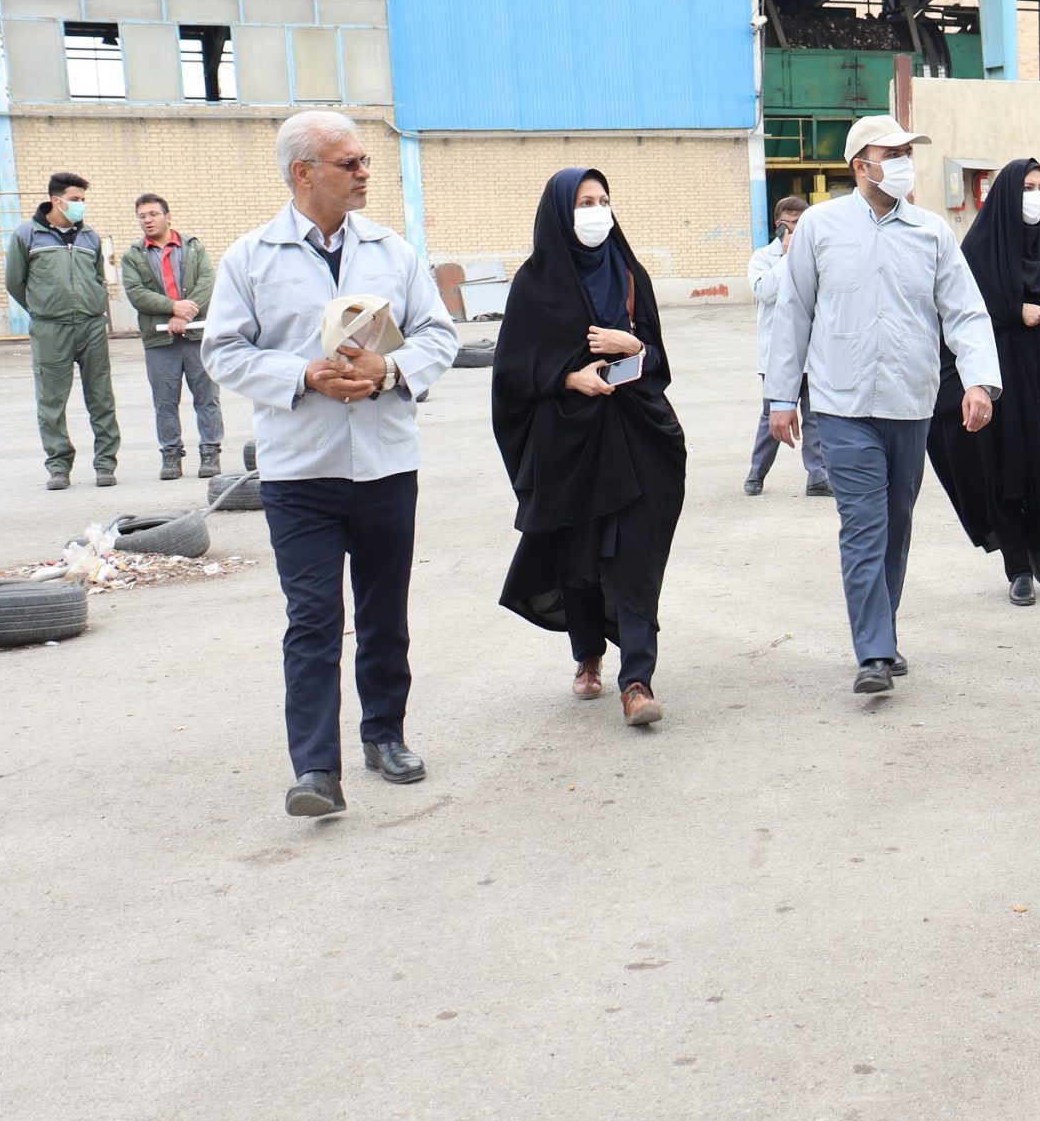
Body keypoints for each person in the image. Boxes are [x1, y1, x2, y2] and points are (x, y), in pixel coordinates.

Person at [204, 110, 457, 818]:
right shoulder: (250, 257)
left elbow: (438, 334)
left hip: (385, 465)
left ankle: (385, 736)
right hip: (301, 473)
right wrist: (302, 375)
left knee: (384, 613)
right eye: (349, 163)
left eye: (364, 161)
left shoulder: (392, 251)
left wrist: (389, 370)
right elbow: (222, 349)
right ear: (303, 172)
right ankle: (315, 769)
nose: (364, 172)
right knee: (313, 619)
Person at [768, 114, 999, 697]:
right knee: (863, 525)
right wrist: (781, 397)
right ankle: (872, 652)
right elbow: (793, 312)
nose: (903, 163)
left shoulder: (931, 232)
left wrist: (978, 382)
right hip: (841, 404)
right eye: (891, 154)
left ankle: (882, 631)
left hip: (910, 402)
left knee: (896, 524)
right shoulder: (820, 226)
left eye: (906, 153)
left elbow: (965, 311)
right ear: (860, 166)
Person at [491, 169, 688, 727]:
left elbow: (658, 362)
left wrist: (633, 345)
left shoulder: (628, 272)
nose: (598, 211)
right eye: (584, 202)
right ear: (560, 212)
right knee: (577, 558)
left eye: (604, 200)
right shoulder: (535, 283)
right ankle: (587, 654)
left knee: (636, 559)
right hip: (569, 443)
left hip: (637, 436)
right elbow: (511, 371)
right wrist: (568, 378)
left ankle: (637, 681)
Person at [930, 157, 1040, 606]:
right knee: (1001, 468)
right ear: (1004, 196)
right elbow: (960, 309)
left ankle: (1038, 541)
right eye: (1027, 188)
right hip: (996, 375)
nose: (1037, 198)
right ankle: (1018, 566)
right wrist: (1014, 310)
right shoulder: (979, 249)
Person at [6, 171, 118, 489]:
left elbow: (98, 277)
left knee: (101, 398)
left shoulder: (90, 237)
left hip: (91, 326)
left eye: (83, 199)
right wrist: (42, 310)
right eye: (75, 199)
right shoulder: (27, 235)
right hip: (50, 330)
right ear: (56, 200)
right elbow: (15, 282)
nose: (80, 204)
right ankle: (58, 467)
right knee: (51, 402)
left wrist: (94, 305)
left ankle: (105, 464)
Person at [120, 193, 220, 481]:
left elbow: (207, 282)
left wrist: (184, 314)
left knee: (207, 396)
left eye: (153, 214)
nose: (148, 220)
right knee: (164, 401)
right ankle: (171, 455)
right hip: (159, 340)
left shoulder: (193, 247)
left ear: (168, 216)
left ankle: (210, 451)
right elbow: (137, 293)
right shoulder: (132, 255)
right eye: (142, 216)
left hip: (197, 335)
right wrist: (172, 307)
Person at [745, 196, 825, 496]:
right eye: (786, 225)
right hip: (776, 356)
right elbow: (764, 291)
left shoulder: (817, 254)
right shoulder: (763, 257)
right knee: (773, 415)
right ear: (777, 225)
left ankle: (817, 476)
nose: (792, 230)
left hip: (813, 353)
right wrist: (789, 257)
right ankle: (757, 473)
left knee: (815, 417)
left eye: (798, 224)